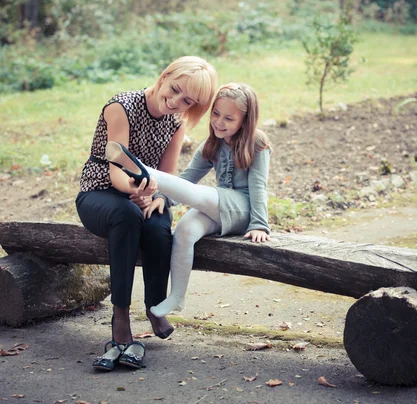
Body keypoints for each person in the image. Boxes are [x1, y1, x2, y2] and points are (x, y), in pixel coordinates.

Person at [75, 56, 218, 371]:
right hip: (99, 193)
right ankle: (121, 314)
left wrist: (159, 197)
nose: (176, 101)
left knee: (157, 226)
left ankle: (155, 306)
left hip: (142, 193)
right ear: (165, 75)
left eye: (187, 100)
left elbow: (166, 176)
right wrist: (139, 191)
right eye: (176, 89)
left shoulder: (175, 121)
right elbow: (115, 173)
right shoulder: (122, 107)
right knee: (126, 216)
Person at [105, 82, 272, 319]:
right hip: (221, 209)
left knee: (199, 194)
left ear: (245, 121)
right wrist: (163, 198)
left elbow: (258, 187)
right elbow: (188, 177)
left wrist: (259, 224)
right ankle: (177, 296)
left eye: (228, 119)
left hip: (244, 210)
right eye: (215, 114)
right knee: (184, 230)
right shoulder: (211, 144)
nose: (218, 122)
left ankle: (140, 169)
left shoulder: (257, 143)